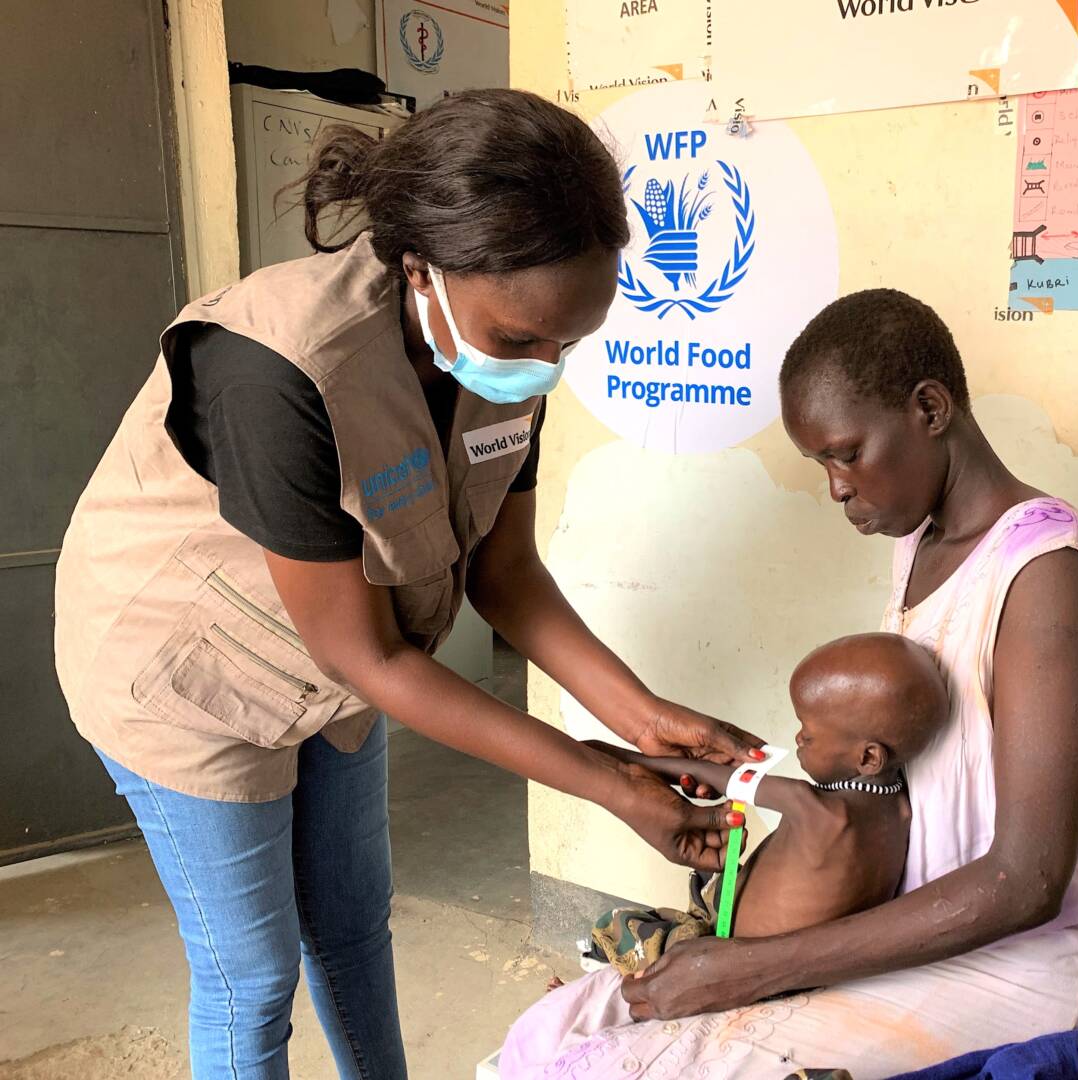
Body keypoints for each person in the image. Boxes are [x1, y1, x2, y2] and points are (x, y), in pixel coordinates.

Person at [52, 89, 762, 1080]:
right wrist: (605, 784)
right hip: (183, 673)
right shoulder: (277, 368)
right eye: (522, 340)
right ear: (423, 264)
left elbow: (503, 574)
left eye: (571, 343)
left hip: (339, 662)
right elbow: (365, 652)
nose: (546, 367)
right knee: (250, 977)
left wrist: (640, 719)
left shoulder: (513, 341)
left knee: (350, 926)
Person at [497, 289, 1078, 1078]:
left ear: (929, 408)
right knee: (551, 1032)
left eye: (846, 453)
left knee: (596, 1070)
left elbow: (1025, 880)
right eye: (821, 462)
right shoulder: (926, 545)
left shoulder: (1043, 579)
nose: (835, 487)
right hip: (907, 925)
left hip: (1007, 966)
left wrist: (757, 966)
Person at [564, 632, 948, 979]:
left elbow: (722, 778)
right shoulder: (899, 806)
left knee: (619, 926)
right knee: (700, 888)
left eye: (808, 733)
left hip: (729, 958)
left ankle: (599, 972)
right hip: (796, 966)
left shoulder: (813, 808)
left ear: (868, 758)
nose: (797, 737)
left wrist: (626, 763)